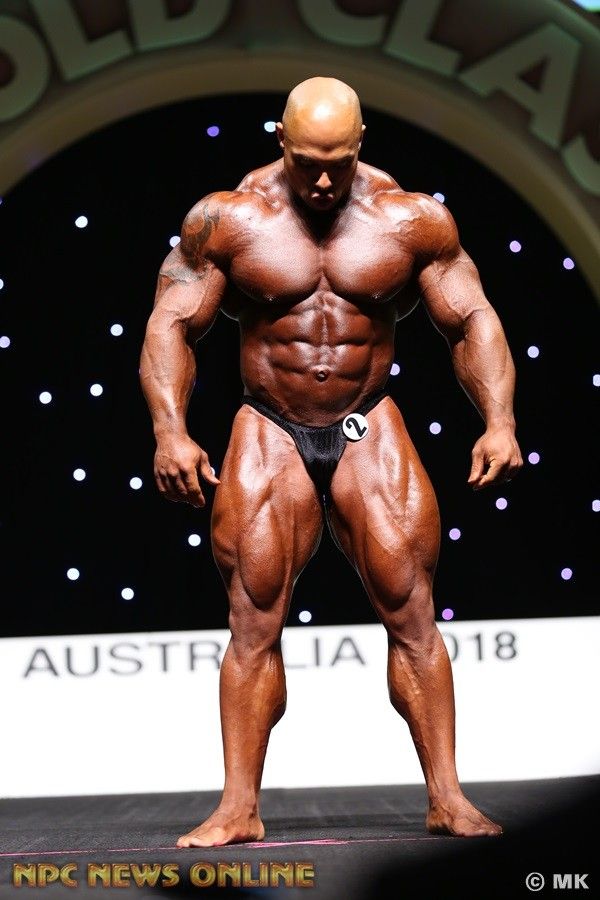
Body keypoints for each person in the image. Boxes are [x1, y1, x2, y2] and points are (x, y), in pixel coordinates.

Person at [139, 77, 523, 847]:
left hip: (365, 422)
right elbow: (171, 323)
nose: (321, 181)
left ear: (360, 145)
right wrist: (170, 431)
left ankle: (448, 798)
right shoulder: (228, 219)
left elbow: (471, 317)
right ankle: (238, 808)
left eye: (337, 163)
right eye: (308, 162)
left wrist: (500, 421)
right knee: (252, 619)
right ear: (281, 138)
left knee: (414, 613)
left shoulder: (411, 219)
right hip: (269, 426)